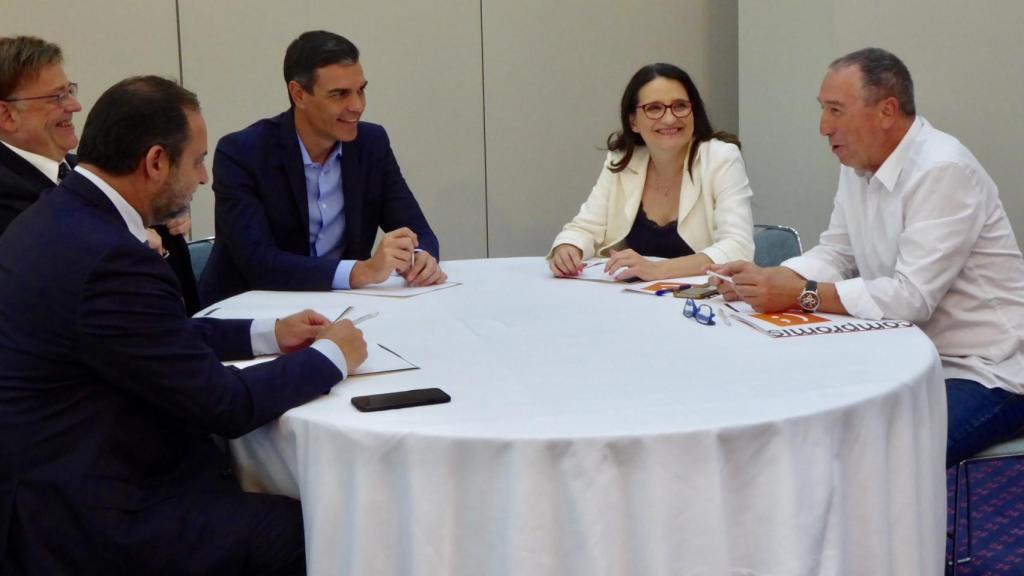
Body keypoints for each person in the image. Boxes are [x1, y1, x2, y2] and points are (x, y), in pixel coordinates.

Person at [0, 75, 368, 574]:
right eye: (197, 160)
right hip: (92, 515)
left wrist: (269, 331)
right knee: (314, 531)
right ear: (155, 162)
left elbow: (147, 337)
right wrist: (332, 357)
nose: (202, 179)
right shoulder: (109, 257)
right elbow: (226, 403)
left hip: (48, 478)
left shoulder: (59, 216)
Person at [708, 48, 1024, 467]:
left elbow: (911, 298)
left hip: (983, 370)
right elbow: (838, 252)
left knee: (874, 460)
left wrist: (800, 294)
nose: (823, 127)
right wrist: (766, 280)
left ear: (887, 111)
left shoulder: (943, 170)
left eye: (835, 110)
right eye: (822, 110)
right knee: (805, 422)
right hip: (903, 352)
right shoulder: (858, 164)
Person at [199, 30, 445, 307]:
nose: (357, 106)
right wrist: (361, 271)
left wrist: (421, 256)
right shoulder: (243, 153)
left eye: (361, 90)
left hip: (340, 306)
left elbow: (417, 229)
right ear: (299, 94)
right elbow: (259, 263)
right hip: (251, 312)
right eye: (340, 94)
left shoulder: (371, 144)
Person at [0, 35, 202, 314]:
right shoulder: (10, 196)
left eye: (70, 91)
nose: (74, 106)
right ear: (6, 115)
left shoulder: (86, 169)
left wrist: (163, 204)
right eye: (57, 97)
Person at [548, 63, 754, 281]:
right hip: (633, 298)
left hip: (702, 300)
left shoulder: (721, 157)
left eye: (680, 106)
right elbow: (585, 227)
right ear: (633, 122)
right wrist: (568, 246)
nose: (669, 118)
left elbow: (738, 247)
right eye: (654, 108)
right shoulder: (623, 159)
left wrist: (658, 271)